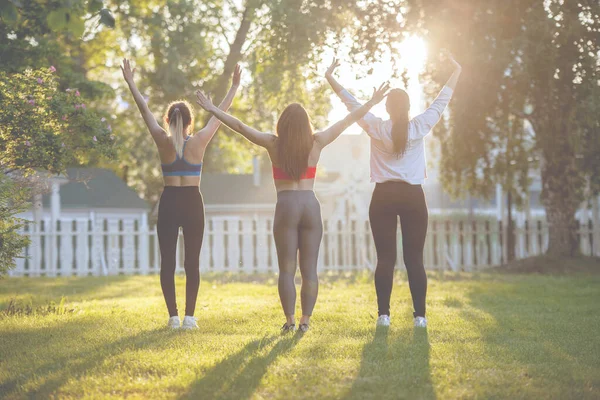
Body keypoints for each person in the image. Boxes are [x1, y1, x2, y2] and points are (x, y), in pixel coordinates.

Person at [195, 81, 390, 332]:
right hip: (310, 204)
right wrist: (372, 103)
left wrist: (213, 109)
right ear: (306, 124)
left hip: (286, 205)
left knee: (286, 270)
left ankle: (289, 320)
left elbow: (241, 127)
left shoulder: (273, 144)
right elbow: (346, 121)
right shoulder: (317, 142)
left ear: (283, 124)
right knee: (310, 270)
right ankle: (305, 321)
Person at [325, 56, 462, 328]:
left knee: (385, 258)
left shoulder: (376, 126)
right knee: (415, 259)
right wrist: (456, 71)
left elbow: (351, 103)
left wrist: (331, 77)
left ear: (386, 107)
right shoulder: (419, 127)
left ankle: (383, 316)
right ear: (409, 107)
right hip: (413, 197)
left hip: (383, 197)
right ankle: (420, 317)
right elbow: (441, 101)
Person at [121, 58, 242, 329]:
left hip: (169, 202)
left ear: (167, 120)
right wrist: (233, 87)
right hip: (192, 202)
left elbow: (143, 109)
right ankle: (189, 317)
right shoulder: (199, 141)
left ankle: (173, 317)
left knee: (168, 262)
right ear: (190, 121)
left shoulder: (162, 141)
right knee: (192, 262)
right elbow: (219, 116)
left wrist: (131, 82)